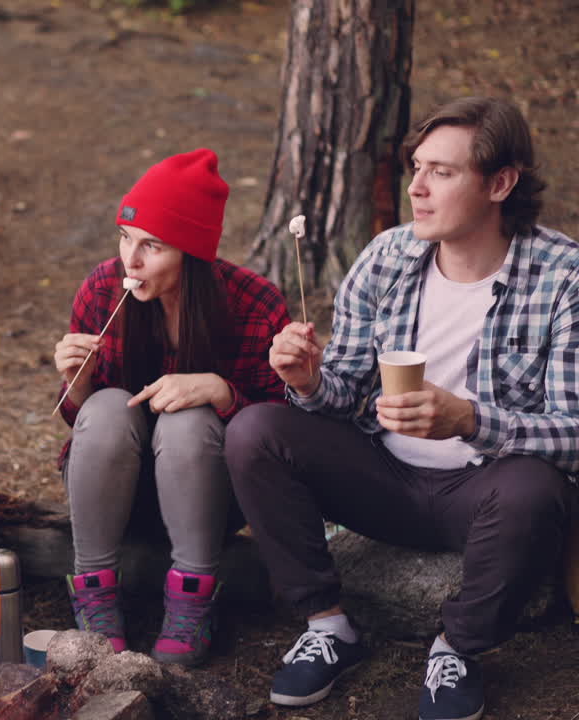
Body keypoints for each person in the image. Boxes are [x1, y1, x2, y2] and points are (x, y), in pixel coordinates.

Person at [224, 97, 575, 720]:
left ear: (500, 183)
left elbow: (573, 432)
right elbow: (345, 394)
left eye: (442, 172)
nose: (416, 187)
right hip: (382, 480)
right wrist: (308, 382)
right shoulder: (387, 258)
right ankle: (329, 626)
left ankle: (457, 648)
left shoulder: (563, 277)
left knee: (533, 488)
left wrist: (468, 420)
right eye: (417, 167)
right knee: (256, 429)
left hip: (484, 494)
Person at [53, 148, 290, 663]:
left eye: (152, 246)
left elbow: (282, 431)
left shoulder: (255, 305)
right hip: (115, 499)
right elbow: (83, 421)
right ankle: (94, 591)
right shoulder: (100, 292)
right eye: (125, 238)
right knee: (109, 407)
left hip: (209, 502)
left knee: (188, 420)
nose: (130, 261)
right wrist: (78, 382)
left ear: (193, 253)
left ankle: (193, 598)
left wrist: (223, 393)